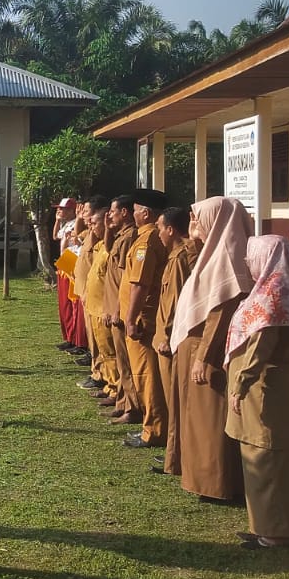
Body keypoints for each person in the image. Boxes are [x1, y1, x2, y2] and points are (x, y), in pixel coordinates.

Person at [227, 234, 289, 548]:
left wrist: (239, 385)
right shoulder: (279, 290)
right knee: (280, 460)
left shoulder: (272, 298)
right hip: (279, 386)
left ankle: (276, 532)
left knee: (267, 460)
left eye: (250, 256)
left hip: (266, 389)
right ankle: (279, 525)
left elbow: (259, 349)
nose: (246, 261)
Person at [171, 197, 252, 503]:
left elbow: (220, 313)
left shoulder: (230, 257)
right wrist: (194, 237)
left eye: (200, 218)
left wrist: (204, 356)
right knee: (195, 418)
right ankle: (198, 477)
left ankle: (216, 484)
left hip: (211, 350)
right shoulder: (213, 251)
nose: (196, 224)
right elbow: (195, 270)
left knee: (210, 422)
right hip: (195, 345)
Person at [119, 189, 169, 448]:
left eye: (136, 209)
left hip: (143, 319)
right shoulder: (147, 237)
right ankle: (153, 423)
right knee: (146, 375)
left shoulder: (147, 241)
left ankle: (155, 429)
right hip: (143, 316)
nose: (134, 213)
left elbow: (140, 283)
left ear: (146, 213)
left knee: (148, 376)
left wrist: (130, 318)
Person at [152, 204, 198, 475]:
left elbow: (175, 301)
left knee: (176, 402)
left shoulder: (181, 259)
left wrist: (166, 336)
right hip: (170, 336)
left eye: (160, 228)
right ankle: (176, 454)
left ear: (171, 229)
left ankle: (178, 458)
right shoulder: (179, 255)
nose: (158, 234)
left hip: (171, 339)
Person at [102, 195, 140, 425]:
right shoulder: (120, 236)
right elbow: (109, 250)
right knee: (120, 360)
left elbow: (126, 278)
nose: (110, 216)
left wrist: (116, 309)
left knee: (126, 362)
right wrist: (107, 228)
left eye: (113, 212)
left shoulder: (130, 238)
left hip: (120, 306)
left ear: (124, 212)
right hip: (113, 304)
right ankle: (123, 401)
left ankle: (132, 408)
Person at [79, 202, 119, 398]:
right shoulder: (100, 245)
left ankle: (114, 389)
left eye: (95, 222)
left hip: (104, 307)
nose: (91, 225)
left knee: (110, 352)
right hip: (93, 306)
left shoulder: (111, 246)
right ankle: (108, 383)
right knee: (102, 350)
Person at [53, 198, 89, 358]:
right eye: (58, 209)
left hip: (73, 264)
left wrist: (80, 219)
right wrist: (56, 220)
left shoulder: (77, 223)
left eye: (62, 209)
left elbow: (77, 238)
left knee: (74, 305)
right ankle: (69, 337)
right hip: (65, 264)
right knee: (65, 305)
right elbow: (55, 237)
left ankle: (78, 340)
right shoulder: (65, 224)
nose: (59, 211)